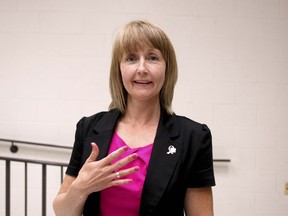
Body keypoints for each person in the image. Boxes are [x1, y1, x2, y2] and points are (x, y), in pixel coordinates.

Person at [53, 20, 215, 216]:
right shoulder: (88, 128)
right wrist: (81, 187)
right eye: (131, 58)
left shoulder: (194, 137)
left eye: (153, 58)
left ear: (167, 68)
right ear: (118, 69)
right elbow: (62, 212)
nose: (142, 68)